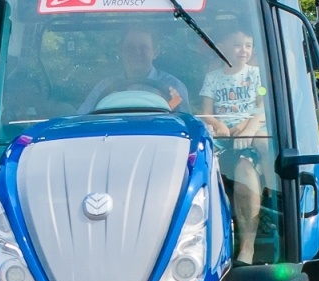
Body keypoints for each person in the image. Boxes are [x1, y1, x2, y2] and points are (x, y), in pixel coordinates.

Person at [198, 27, 267, 263]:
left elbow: (262, 108)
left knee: (244, 172)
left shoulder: (257, 76)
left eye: (248, 45)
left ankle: (247, 247)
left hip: (248, 138)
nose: (243, 50)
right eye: (237, 45)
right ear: (223, 47)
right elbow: (205, 114)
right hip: (222, 138)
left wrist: (247, 129)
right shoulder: (213, 78)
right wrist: (219, 126)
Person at [81, 29, 190, 112]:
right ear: (121, 51)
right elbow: (82, 119)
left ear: (155, 52)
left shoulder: (172, 86)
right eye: (130, 48)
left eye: (143, 48)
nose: (137, 53)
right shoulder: (105, 87)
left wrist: (168, 103)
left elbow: (185, 124)